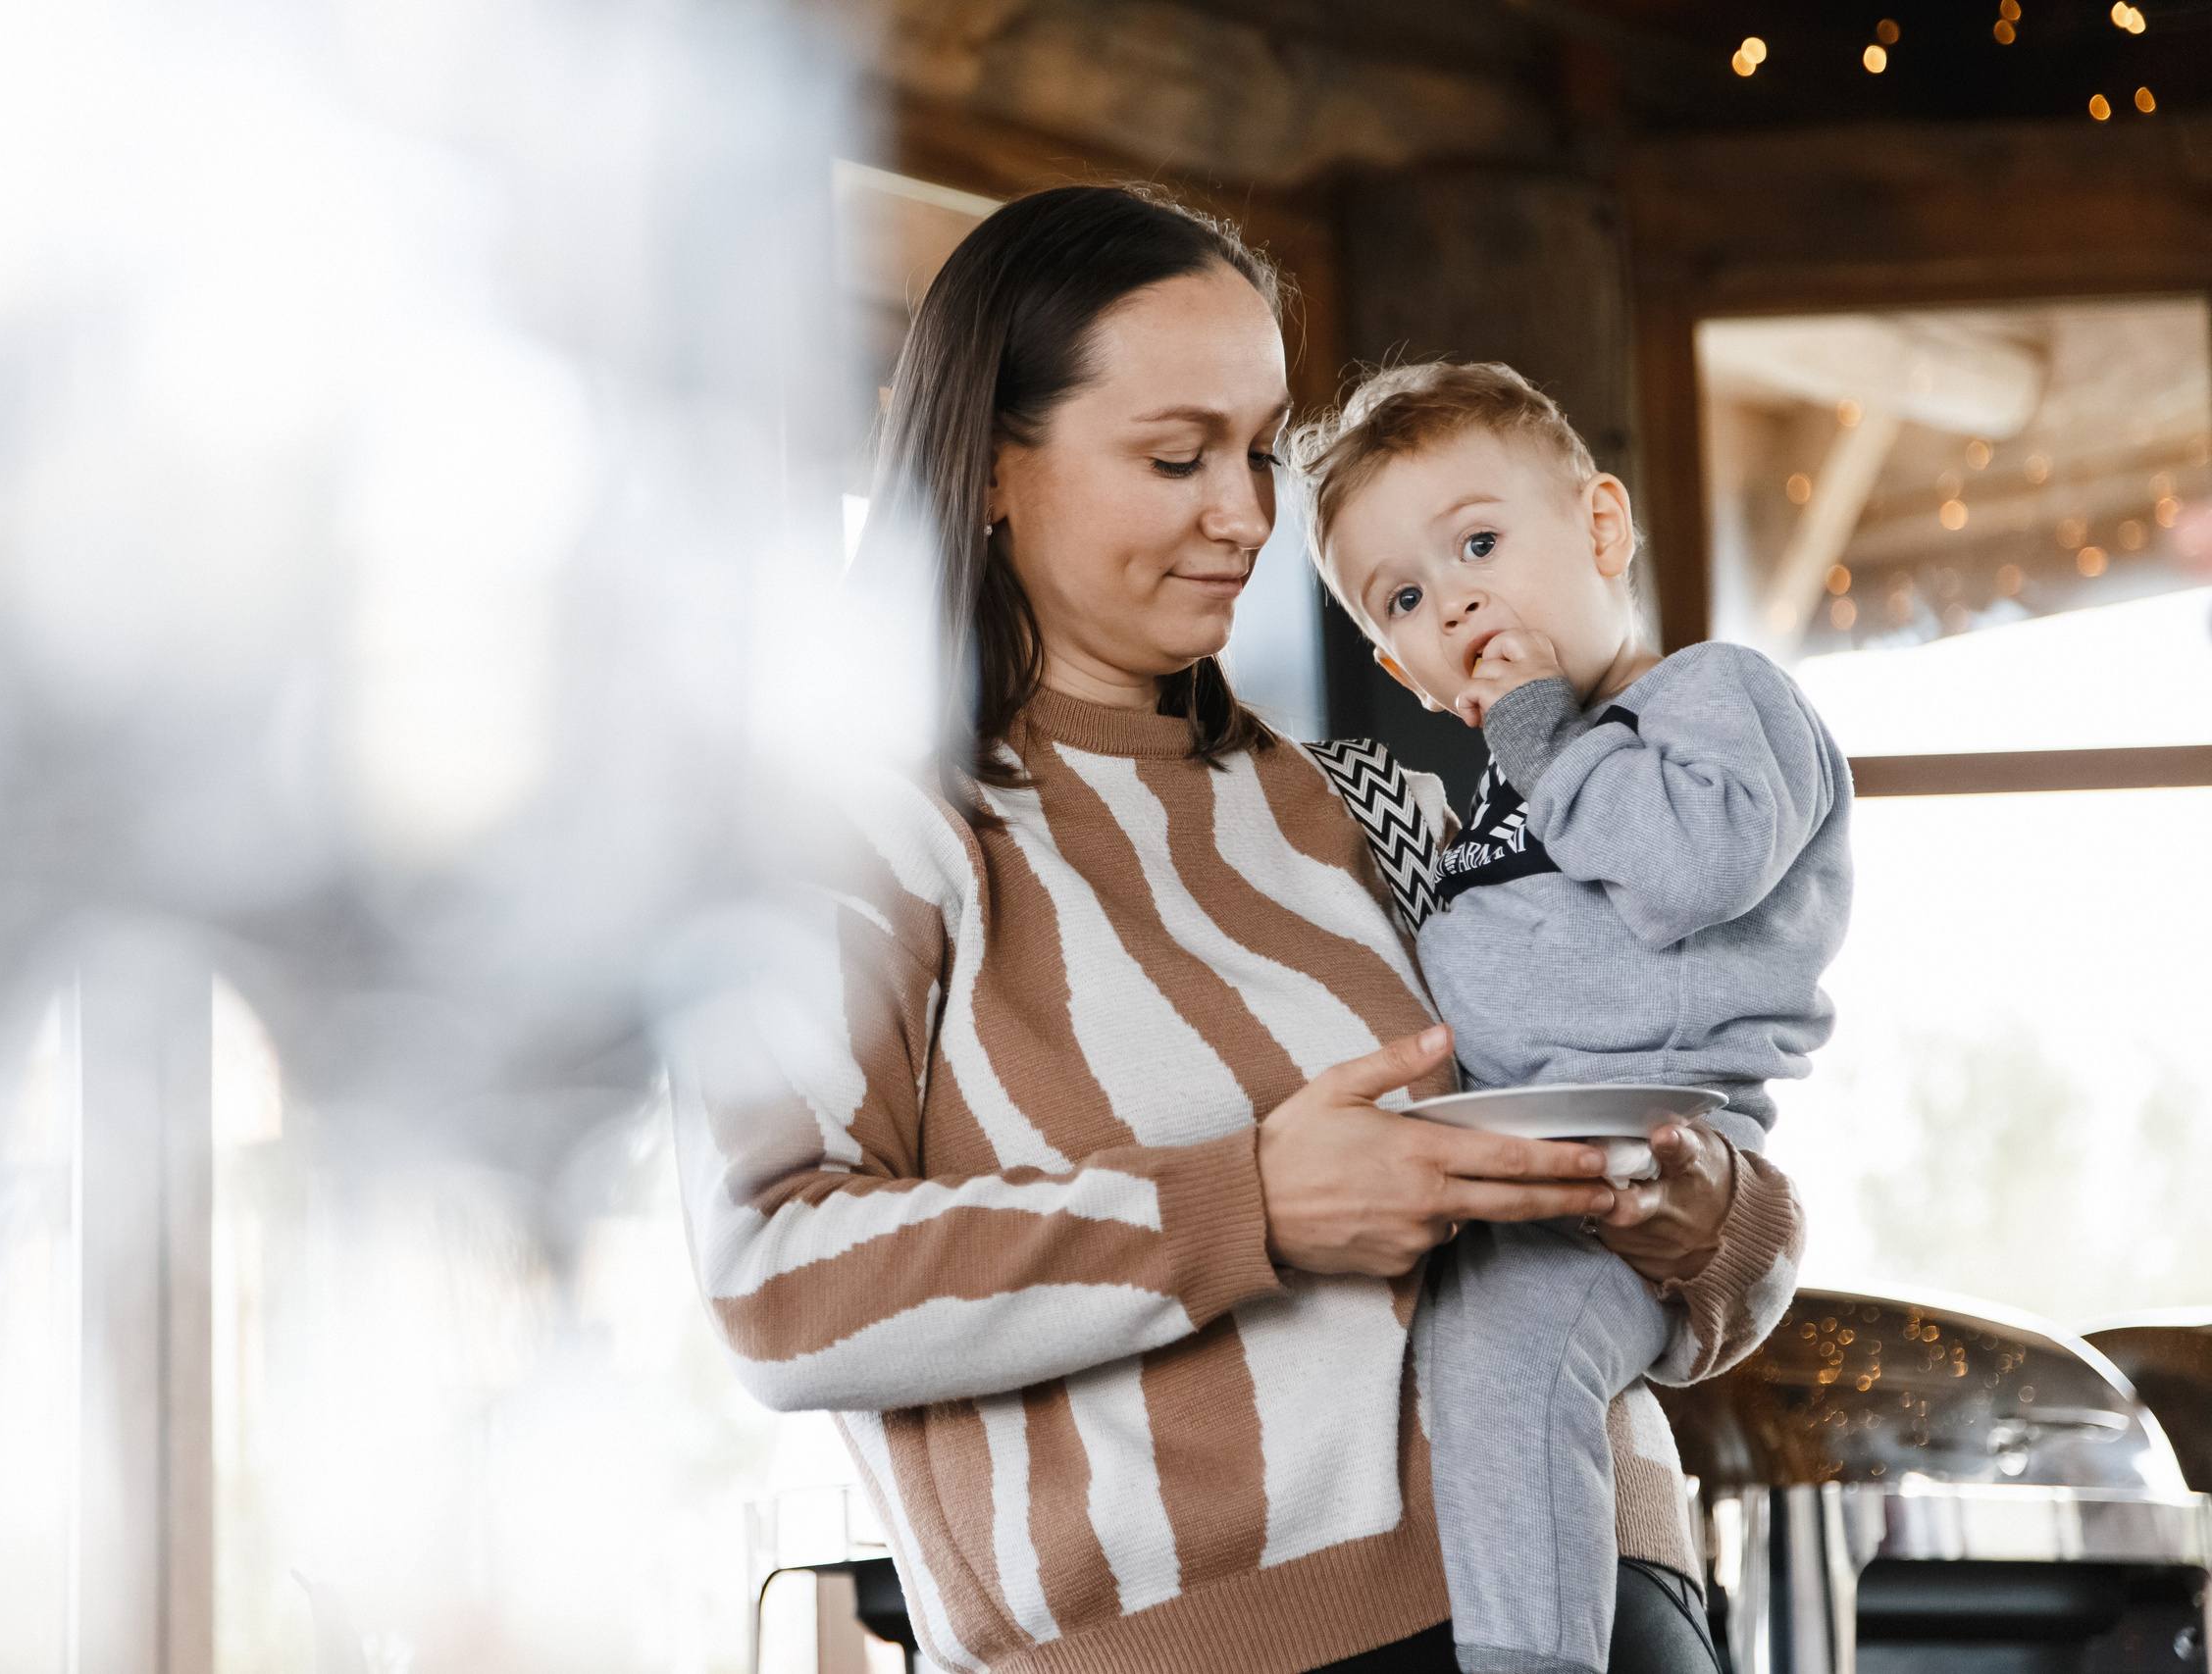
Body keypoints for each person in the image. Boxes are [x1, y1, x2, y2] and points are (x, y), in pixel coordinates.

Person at [672, 185, 1802, 1674]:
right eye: (1175, 455)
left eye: (1260, 451)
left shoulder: (1373, 805)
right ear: (994, 465)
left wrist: (1698, 1206)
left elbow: (1738, 1229)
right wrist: (1249, 1206)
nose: (1246, 515)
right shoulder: (841, 832)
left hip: (1607, 1603)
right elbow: (773, 1283)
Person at [1293, 359, 1848, 1674]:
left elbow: (1690, 871)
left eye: (1480, 542)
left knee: (1504, 1363)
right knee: (1471, 1374)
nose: (1461, 598)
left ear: (1602, 530)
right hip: (1521, 1161)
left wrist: (1544, 733)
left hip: (1629, 1169)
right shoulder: (1504, 788)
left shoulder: (1714, 697)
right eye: (1410, 599)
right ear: (1403, 668)